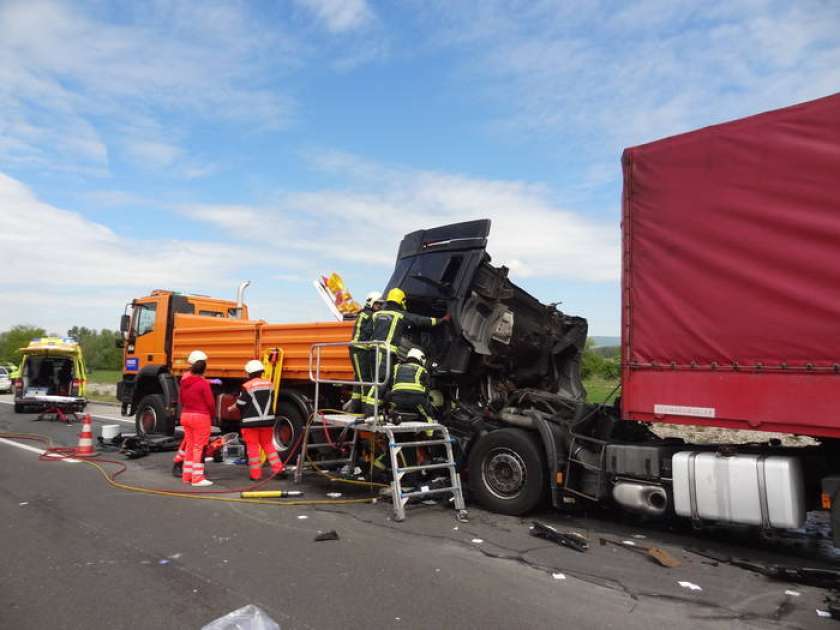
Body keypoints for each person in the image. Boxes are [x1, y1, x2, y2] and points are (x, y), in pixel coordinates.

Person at [363, 287, 449, 415]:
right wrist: (442, 320)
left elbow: (367, 333)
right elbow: (421, 320)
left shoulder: (377, 314)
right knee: (381, 381)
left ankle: (377, 409)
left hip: (372, 352)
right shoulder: (400, 315)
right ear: (401, 301)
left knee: (376, 380)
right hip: (384, 353)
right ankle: (370, 412)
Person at [228, 359, 285, 481]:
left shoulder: (247, 386)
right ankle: (278, 469)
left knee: (253, 448)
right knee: (268, 445)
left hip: (250, 423)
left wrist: (231, 408)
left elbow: (241, 403)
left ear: (249, 373)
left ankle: (256, 475)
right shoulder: (269, 384)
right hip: (267, 422)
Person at [178, 350, 215, 487]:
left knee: (190, 446)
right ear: (204, 369)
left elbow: (181, 399)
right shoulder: (203, 383)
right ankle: (197, 478)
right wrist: (212, 415)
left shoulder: (184, 382)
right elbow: (210, 403)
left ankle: (187, 475)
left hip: (186, 415)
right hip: (200, 417)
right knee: (199, 447)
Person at [348, 291, 383, 413]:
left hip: (361, 349)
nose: (380, 307)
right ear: (371, 303)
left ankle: (355, 407)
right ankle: (365, 409)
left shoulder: (365, 313)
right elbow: (370, 332)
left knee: (360, 378)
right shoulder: (369, 315)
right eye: (378, 304)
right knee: (365, 379)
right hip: (359, 349)